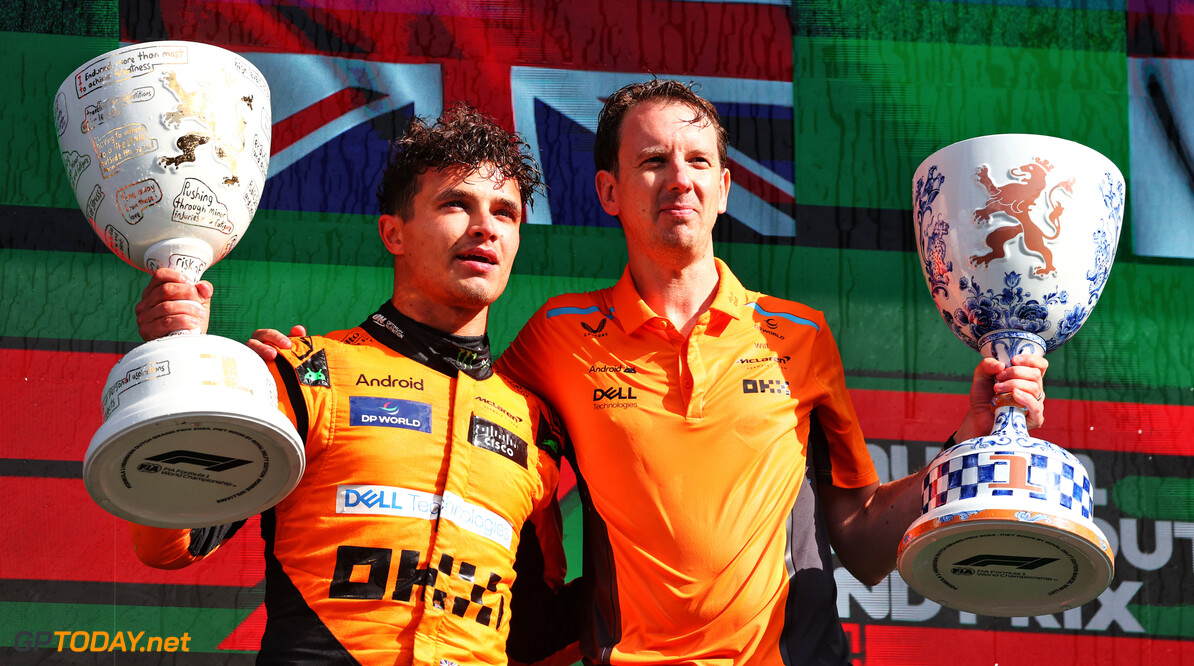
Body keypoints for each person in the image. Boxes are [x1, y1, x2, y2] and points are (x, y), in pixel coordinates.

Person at [250, 81, 1048, 664]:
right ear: (609, 190)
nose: (681, 179)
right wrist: (292, 379)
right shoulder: (553, 340)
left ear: (727, 186)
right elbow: (448, 409)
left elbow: (866, 546)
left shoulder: (801, 335)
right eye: (654, 160)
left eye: (700, 160)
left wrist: (966, 443)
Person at [130, 105, 580, 665]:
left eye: (505, 213)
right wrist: (173, 368)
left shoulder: (532, 424)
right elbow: (169, 546)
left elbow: (535, 632)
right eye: (455, 204)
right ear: (393, 232)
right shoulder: (304, 372)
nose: (485, 226)